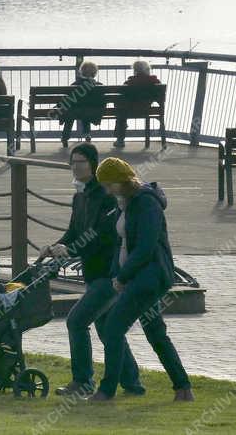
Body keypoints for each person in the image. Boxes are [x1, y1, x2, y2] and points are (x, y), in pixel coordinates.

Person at [39, 143, 144, 397]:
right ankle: (132, 383)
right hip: (93, 273)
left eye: (80, 162)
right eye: (72, 162)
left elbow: (100, 235)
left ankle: (83, 381)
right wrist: (57, 246)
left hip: (109, 274)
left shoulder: (106, 195)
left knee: (76, 321)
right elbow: (74, 232)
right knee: (108, 327)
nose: (75, 167)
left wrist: (71, 249)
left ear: (93, 165)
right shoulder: (80, 196)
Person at [87, 158, 193, 403]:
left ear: (121, 181)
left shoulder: (146, 203)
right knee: (155, 332)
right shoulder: (127, 202)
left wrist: (123, 278)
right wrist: (117, 274)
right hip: (138, 278)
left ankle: (107, 390)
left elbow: (145, 247)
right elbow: (122, 244)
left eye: (108, 184)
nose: (106, 189)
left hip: (148, 279)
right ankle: (183, 388)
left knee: (113, 328)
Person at [113, 60, 161, 149]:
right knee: (122, 111)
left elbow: (120, 96)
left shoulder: (129, 82)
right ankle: (162, 139)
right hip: (146, 109)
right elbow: (159, 97)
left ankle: (120, 140)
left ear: (135, 71)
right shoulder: (155, 82)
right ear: (147, 70)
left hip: (129, 110)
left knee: (120, 112)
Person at [59, 60, 105, 147]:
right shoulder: (99, 85)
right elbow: (103, 101)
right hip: (93, 112)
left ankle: (65, 137)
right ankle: (87, 134)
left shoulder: (74, 85)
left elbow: (68, 100)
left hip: (76, 112)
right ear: (94, 73)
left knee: (71, 113)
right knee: (86, 112)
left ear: (82, 72)